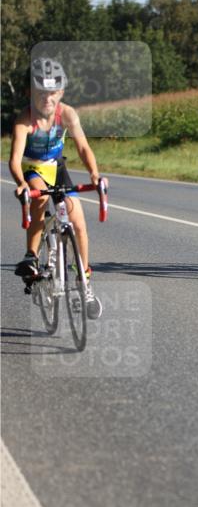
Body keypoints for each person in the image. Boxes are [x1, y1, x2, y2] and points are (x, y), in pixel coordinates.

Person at [9, 57, 103, 318]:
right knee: (39, 199)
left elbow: (83, 148)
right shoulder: (25, 120)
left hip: (57, 167)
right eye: (41, 93)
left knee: (78, 220)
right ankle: (32, 256)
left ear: (61, 92)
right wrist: (21, 184)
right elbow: (14, 160)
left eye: (52, 93)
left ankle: (84, 281)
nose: (47, 99)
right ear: (31, 93)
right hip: (33, 169)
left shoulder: (68, 114)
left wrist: (94, 175)